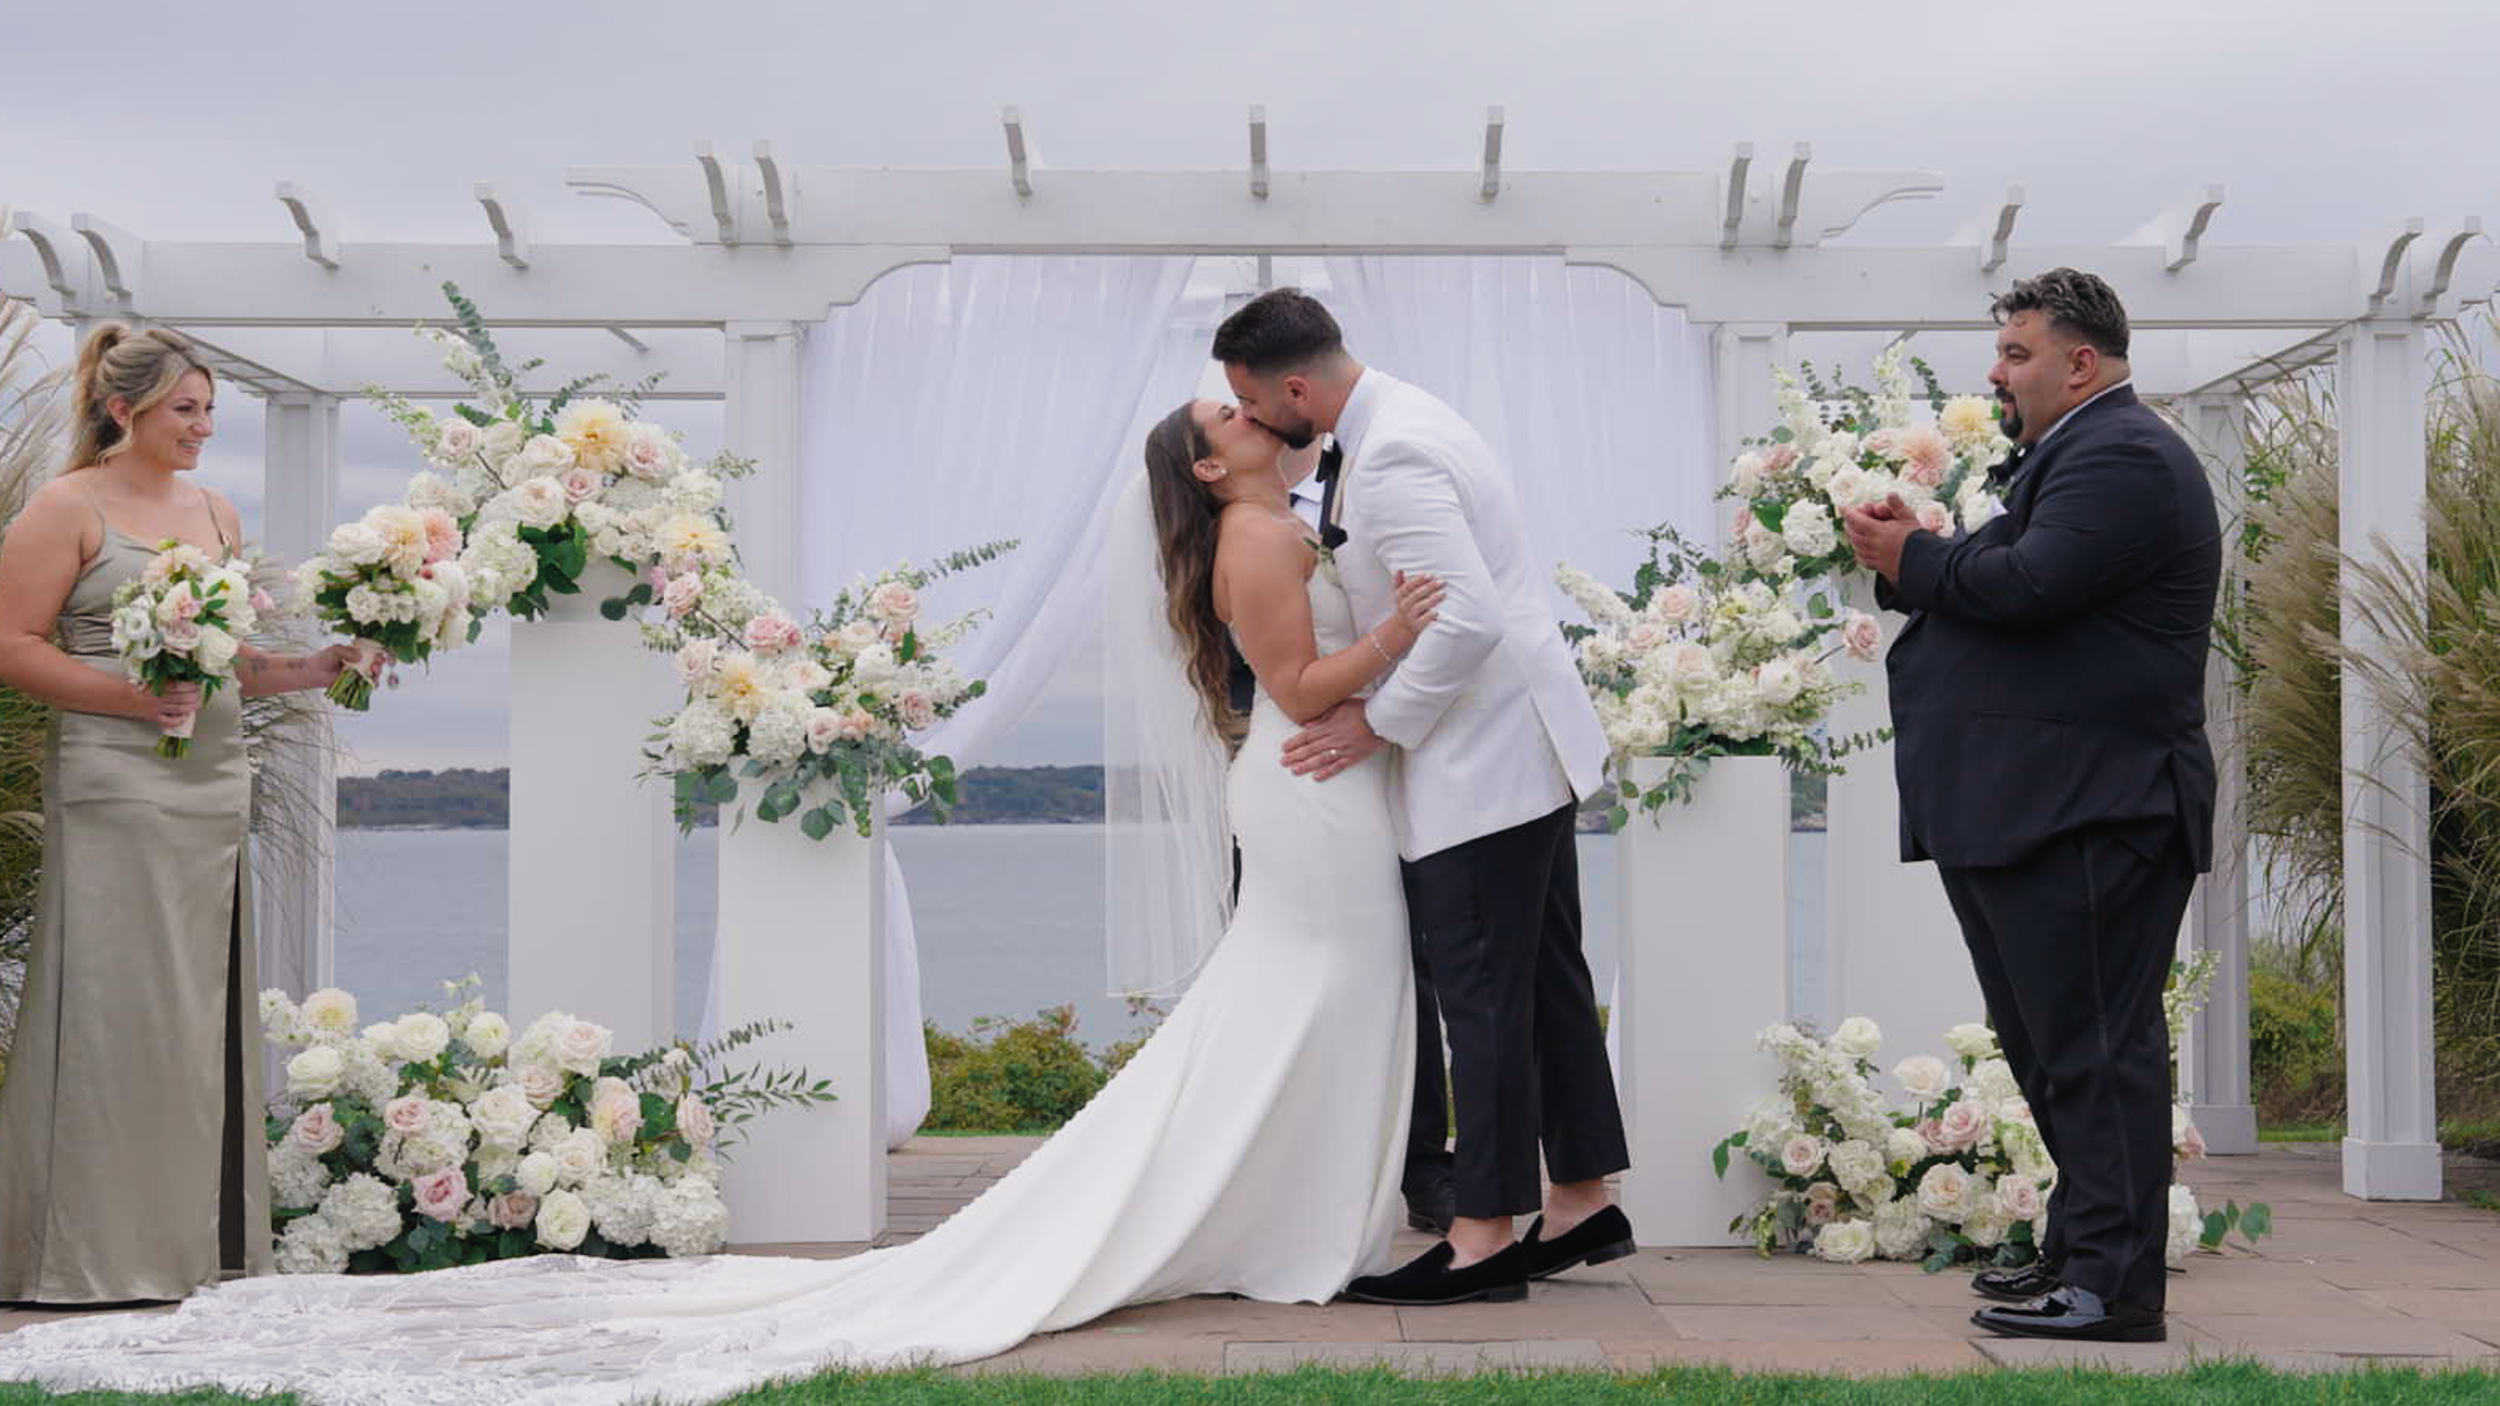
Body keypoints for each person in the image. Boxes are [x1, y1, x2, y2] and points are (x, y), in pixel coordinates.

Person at [0, 396, 1449, 1398]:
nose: (1253, 423)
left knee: (1311, 1006)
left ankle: (1296, 1215)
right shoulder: (1260, 540)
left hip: (1325, 792)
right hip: (1315, 787)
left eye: (1248, 411)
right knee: (1297, 1001)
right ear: (1209, 468)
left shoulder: (1284, 518)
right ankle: (1292, 1221)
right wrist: (1397, 630)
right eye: (1231, 421)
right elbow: (1299, 683)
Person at [1213, 288, 1633, 1307]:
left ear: (1297, 387)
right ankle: (1582, 1198)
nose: (1257, 423)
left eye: (1253, 404)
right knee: (1543, 978)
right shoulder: (1405, 419)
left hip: (1478, 763)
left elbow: (1464, 621)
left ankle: (1484, 1235)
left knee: (1482, 992)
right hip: (1519, 749)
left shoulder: (1392, 456)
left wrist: (1376, 723)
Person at [1842, 268, 2221, 1345]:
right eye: (2000, 353)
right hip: (2040, 806)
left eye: (2015, 354)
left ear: (2080, 362)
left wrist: (1910, 553)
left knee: (2097, 1046)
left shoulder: (2126, 456)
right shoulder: (2076, 455)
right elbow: (2005, 570)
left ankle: (2112, 1286)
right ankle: (2079, 1251)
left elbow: (2028, 586)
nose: (1996, 372)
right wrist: (1911, 545)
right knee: (2054, 1044)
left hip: (2095, 807)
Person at [0, 324, 355, 1303]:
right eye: (183, 410)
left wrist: (312, 668)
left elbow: (234, 662)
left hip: (209, 784)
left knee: (196, 1016)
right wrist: (128, 700)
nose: (201, 427)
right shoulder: (64, 507)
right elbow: (10, 643)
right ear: (125, 410)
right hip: (113, 781)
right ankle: (87, 1255)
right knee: (120, 1012)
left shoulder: (215, 512)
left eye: (209, 410)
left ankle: (189, 1245)